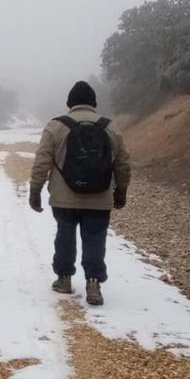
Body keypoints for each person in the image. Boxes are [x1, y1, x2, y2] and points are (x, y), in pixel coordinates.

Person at [29, 80, 132, 306]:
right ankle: (94, 284)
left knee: (64, 235)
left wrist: (35, 189)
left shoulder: (55, 126)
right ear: (94, 103)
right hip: (99, 196)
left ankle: (64, 279)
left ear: (69, 103)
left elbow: (42, 160)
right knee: (95, 238)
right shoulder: (110, 127)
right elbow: (123, 163)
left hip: (64, 198)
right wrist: (121, 190)